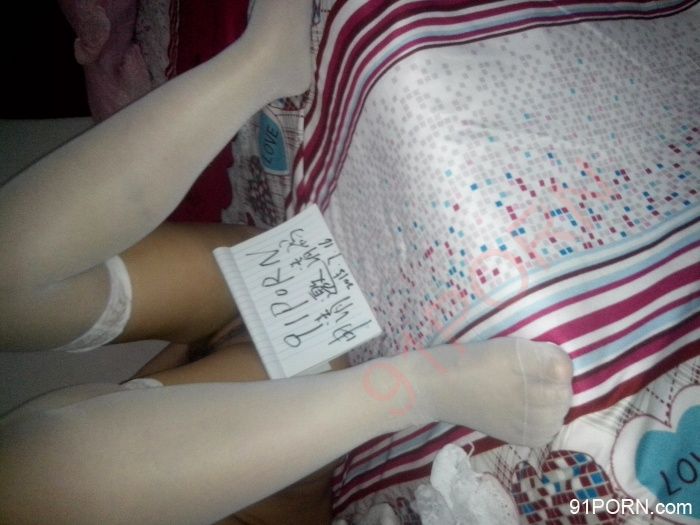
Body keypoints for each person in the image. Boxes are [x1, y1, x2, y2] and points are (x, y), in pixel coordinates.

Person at [0, 1, 574, 523]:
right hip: (285, 420)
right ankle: (408, 390)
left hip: (247, 321)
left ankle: (263, 61)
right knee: (32, 490)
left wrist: (174, 371)